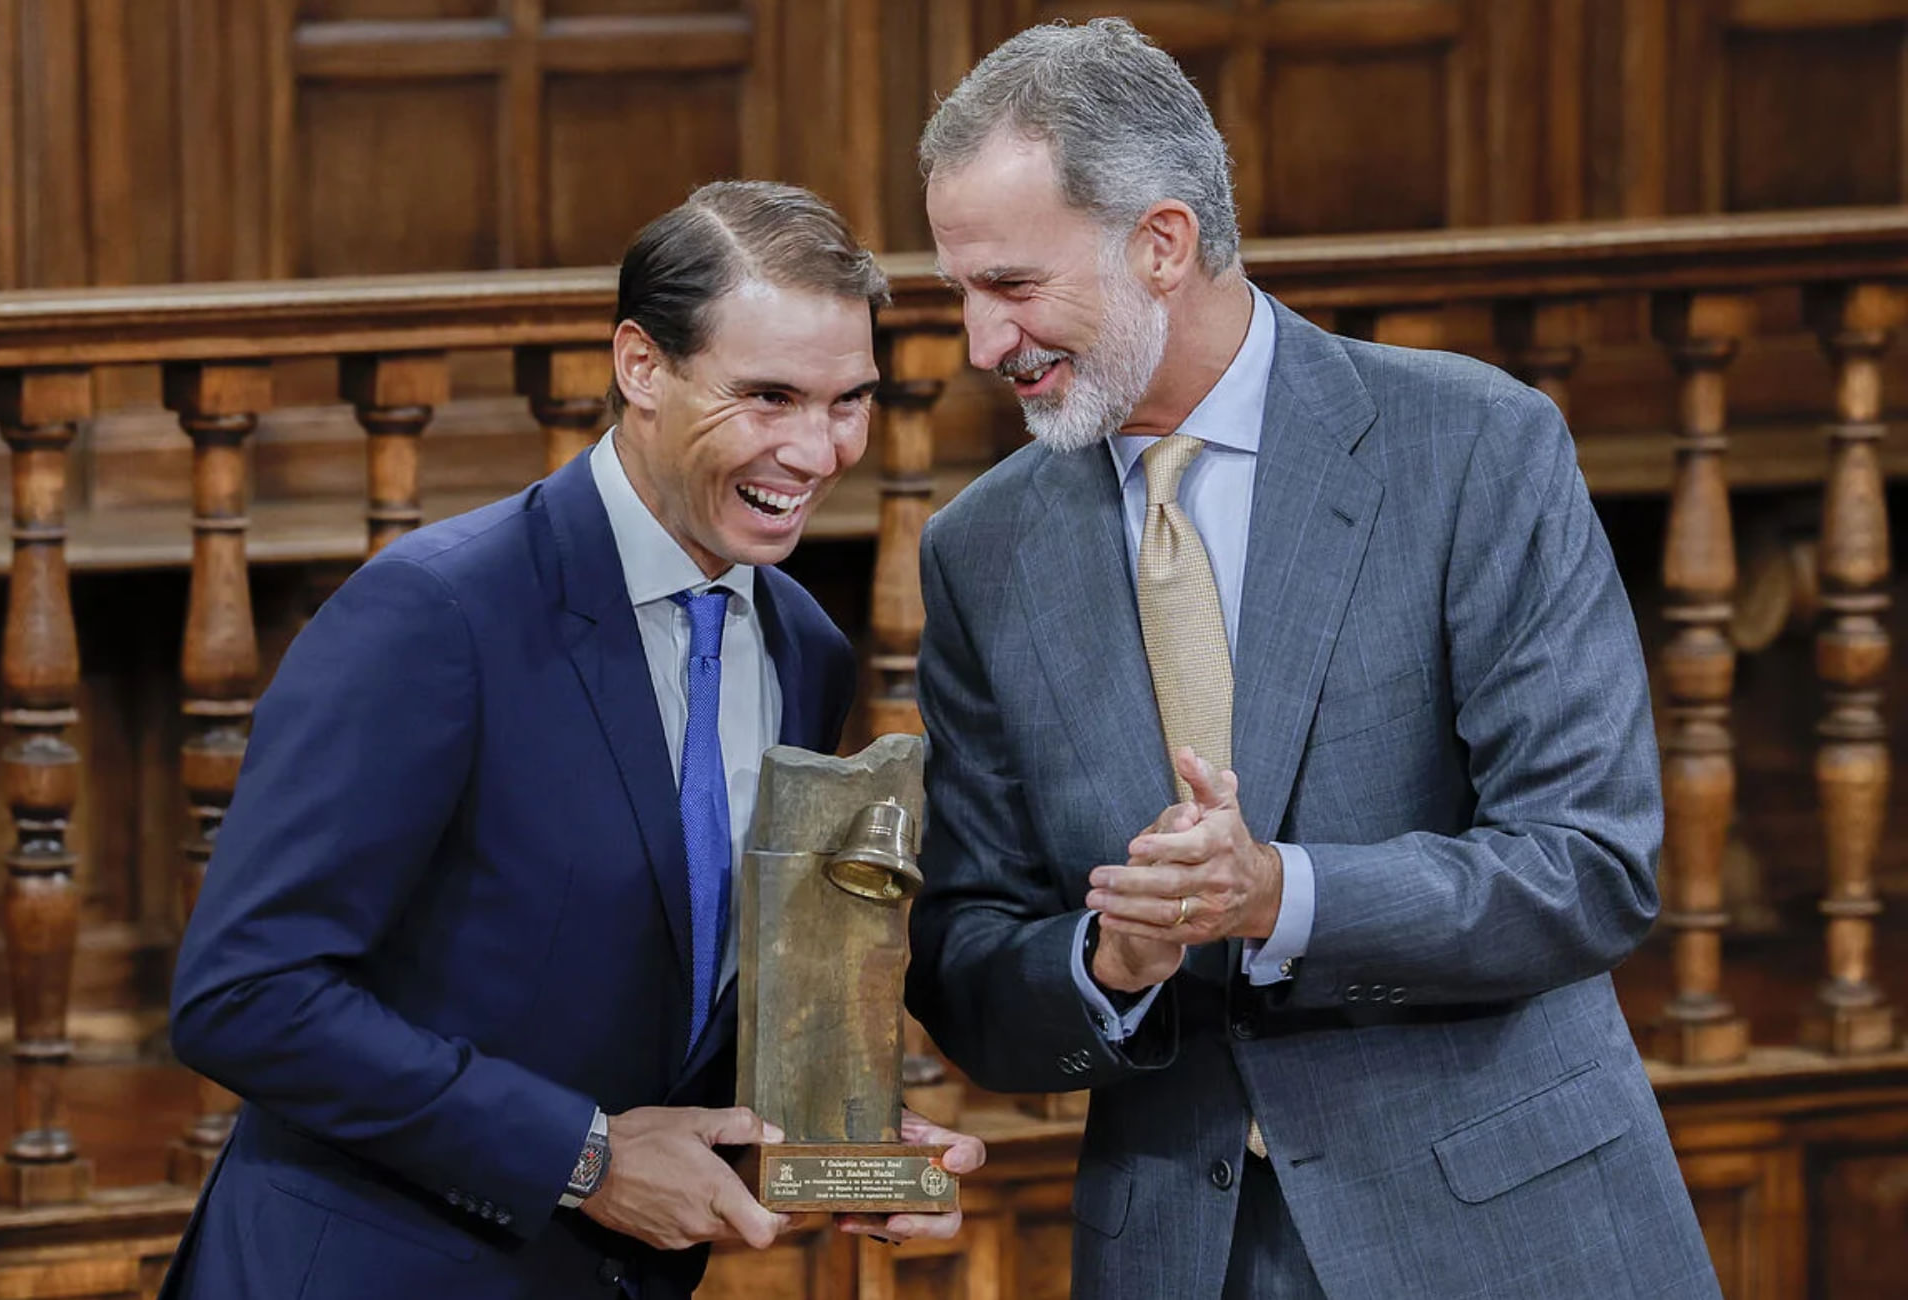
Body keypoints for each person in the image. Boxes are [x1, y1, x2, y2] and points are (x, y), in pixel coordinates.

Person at [903, 19, 1718, 1300]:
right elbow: (965, 961)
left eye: (1009, 285)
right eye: (960, 291)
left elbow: (1588, 867)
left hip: (1503, 1236)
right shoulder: (978, 550)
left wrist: (1278, 893)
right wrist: (1107, 963)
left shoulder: (1474, 446)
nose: (979, 342)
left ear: (1160, 243)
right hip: (1180, 1255)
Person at [161, 180, 983, 1300]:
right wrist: (580, 1159)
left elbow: (670, 994)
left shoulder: (803, 647)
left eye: (849, 402)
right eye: (768, 397)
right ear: (640, 366)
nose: (815, 449)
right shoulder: (436, 613)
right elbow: (245, 994)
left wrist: (839, 1147)